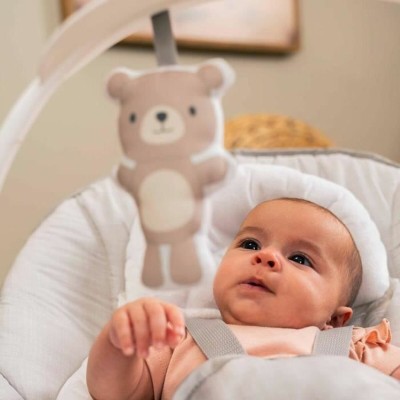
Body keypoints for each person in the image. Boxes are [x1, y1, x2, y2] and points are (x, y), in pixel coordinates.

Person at [86, 198, 400, 400]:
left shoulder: (353, 347)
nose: (266, 256)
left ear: (334, 319)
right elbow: (116, 393)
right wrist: (121, 341)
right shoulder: (178, 339)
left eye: (300, 259)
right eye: (250, 244)